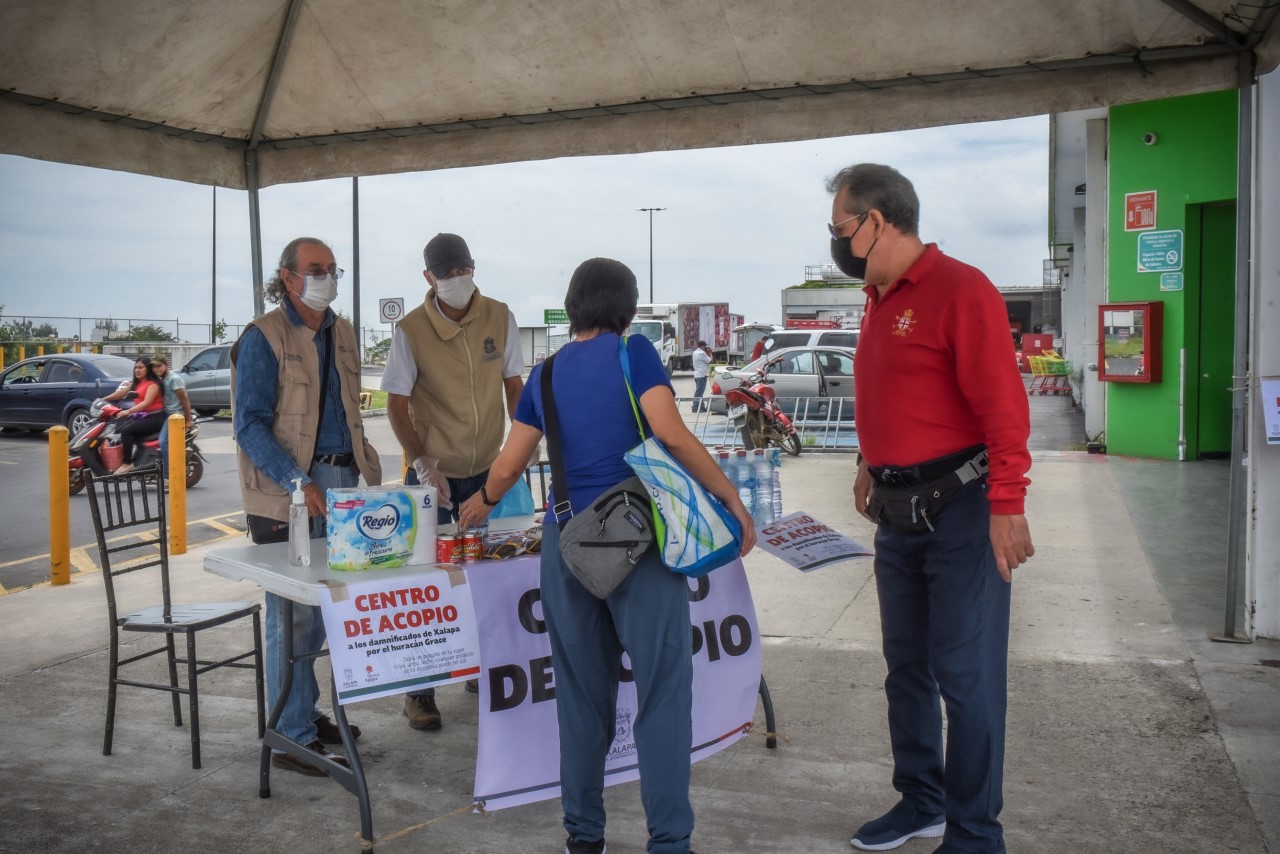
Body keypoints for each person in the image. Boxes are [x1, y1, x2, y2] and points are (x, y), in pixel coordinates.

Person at [458, 257, 755, 854]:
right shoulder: (632, 353)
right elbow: (670, 432)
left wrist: (481, 503)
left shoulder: (544, 374)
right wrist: (730, 499)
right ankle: (669, 841)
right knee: (663, 692)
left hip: (566, 548)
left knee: (579, 699)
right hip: (638, 545)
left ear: (573, 306)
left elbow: (511, 463)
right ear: (626, 306)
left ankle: (584, 835)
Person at [827, 164, 1034, 854]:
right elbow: (899, 391)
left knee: (966, 676)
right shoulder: (876, 297)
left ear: (875, 221)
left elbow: (1002, 407)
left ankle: (975, 831)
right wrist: (869, 460)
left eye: (839, 226)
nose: (835, 239)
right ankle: (923, 800)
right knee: (906, 669)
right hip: (896, 513)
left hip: (962, 510)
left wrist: (1008, 504)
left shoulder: (961, 289)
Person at [231, 236, 383, 777]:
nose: (327, 278)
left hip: (343, 483)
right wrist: (299, 482)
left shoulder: (342, 331)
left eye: (332, 269)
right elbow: (248, 424)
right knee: (290, 617)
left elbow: (348, 409)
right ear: (288, 277)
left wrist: (362, 473)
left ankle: (303, 711)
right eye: (315, 269)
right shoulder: (263, 336)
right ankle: (289, 736)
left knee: (324, 612)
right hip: (289, 494)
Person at [381, 232, 525, 731]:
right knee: (426, 583)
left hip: (486, 471)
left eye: (464, 270)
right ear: (429, 277)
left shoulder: (499, 317)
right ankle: (419, 692)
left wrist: (521, 441)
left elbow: (513, 385)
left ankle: (478, 670)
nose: (457, 279)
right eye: (447, 273)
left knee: (483, 577)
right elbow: (396, 404)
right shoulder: (410, 330)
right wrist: (422, 461)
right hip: (431, 477)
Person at [108, 358, 166, 473]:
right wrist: (103, 399)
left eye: (141, 367)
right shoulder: (137, 382)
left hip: (155, 418)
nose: (137, 370)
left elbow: (147, 403)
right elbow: (122, 393)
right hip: (143, 416)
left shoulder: (153, 384)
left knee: (126, 431)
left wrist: (128, 411)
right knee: (118, 429)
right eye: (136, 368)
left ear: (148, 369)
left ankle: (127, 463)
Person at [149, 354, 194, 481]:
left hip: (176, 415)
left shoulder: (174, 379)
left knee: (163, 442)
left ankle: (169, 474)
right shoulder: (160, 379)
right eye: (154, 367)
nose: (156, 369)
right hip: (165, 414)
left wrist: (188, 420)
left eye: (159, 366)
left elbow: (184, 400)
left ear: (166, 365)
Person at [690, 340, 712, 412]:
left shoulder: (695, 352)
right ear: (703, 346)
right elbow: (710, 361)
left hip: (697, 375)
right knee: (699, 392)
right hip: (702, 375)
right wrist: (710, 352)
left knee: (700, 392)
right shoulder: (702, 353)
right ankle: (695, 407)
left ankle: (701, 407)